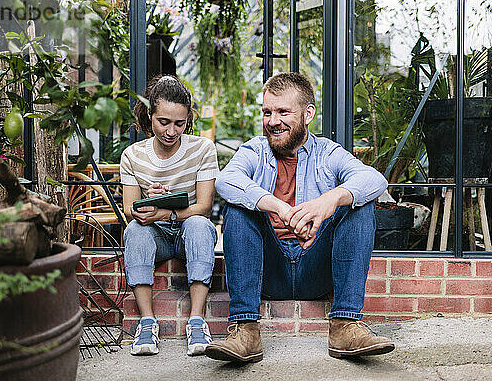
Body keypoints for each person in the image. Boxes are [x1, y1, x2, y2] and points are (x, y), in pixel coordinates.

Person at [206, 72, 394, 362]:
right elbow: (226, 181)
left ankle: (345, 326)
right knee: (238, 209)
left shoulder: (327, 153)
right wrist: (278, 207)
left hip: (315, 268)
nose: (272, 121)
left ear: (308, 114)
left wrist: (329, 200)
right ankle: (245, 330)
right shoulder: (254, 150)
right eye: (267, 112)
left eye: (283, 112)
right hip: (270, 270)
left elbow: (374, 180)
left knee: (358, 205)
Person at [120, 75, 218, 356]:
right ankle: (147, 323)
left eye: (180, 123)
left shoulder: (202, 149)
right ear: (149, 115)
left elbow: (204, 207)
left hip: (189, 230)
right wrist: (149, 200)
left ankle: (197, 321)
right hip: (155, 236)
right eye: (164, 122)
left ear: (188, 119)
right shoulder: (132, 155)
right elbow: (130, 209)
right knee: (135, 232)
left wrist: (166, 212)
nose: (171, 131)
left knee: (199, 224)